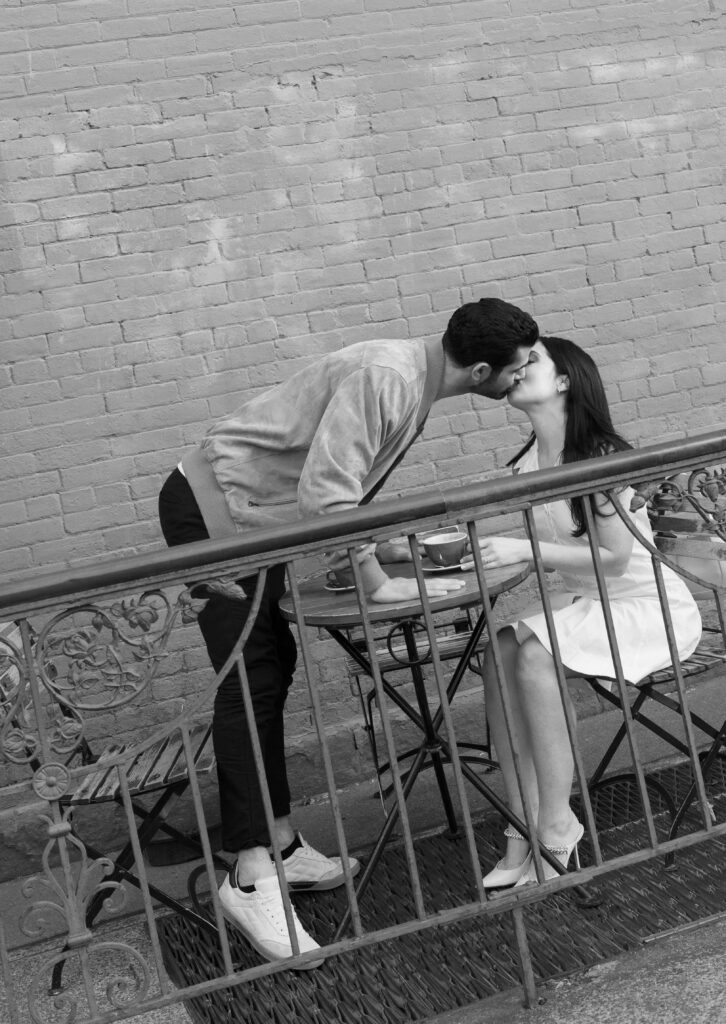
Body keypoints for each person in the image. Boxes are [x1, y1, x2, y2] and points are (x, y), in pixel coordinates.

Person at [157, 297, 539, 965]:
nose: (527, 374)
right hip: (216, 514)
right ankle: (250, 875)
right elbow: (328, 498)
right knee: (250, 679)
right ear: (481, 370)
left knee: (271, 667)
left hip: (253, 518)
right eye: (523, 366)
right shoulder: (389, 379)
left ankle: (276, 840)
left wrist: (380, 549)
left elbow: (338, 490)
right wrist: (378, 583)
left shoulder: (406, 379)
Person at [467, 336, 702, 890]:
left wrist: (524, 550)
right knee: (499, 651)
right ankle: (520, 825)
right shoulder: (528, 462)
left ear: (567, 380)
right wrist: (445, 538)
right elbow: (517, 524)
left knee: (533, 653)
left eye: (534, 361)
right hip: (593, 603)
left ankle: (557, 820)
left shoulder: (599, 456)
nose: (519, 369)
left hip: (648, 606)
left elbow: (616, 559)